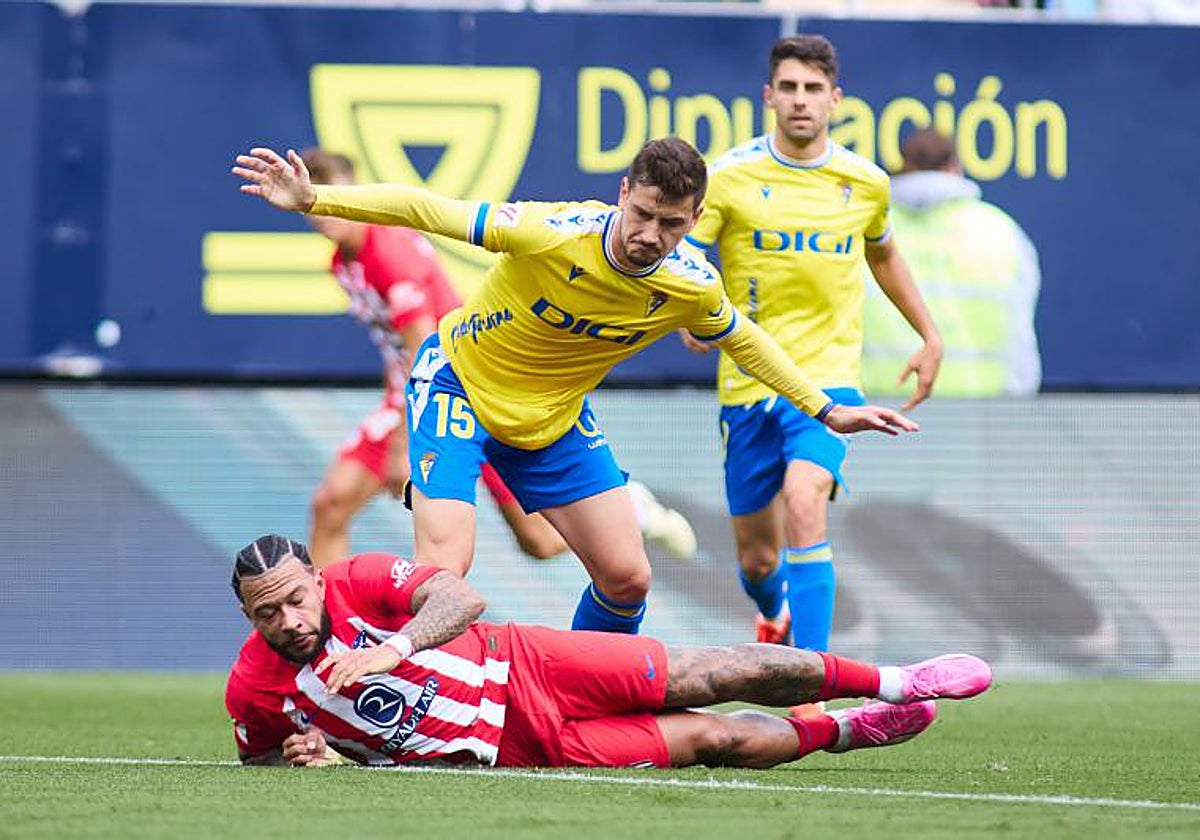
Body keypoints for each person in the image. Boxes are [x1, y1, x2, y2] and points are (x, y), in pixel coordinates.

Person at [233, 136, 918, 635]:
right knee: (445, 571)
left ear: (694, 218)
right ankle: (385, 690)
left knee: (628, 579)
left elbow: (742, 337)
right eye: (643, 213)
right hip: (456, 388)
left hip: (551, 419)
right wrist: (315, 198)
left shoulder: (690, 284)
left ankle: (574, 698)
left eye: (672, 223)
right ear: (624, 193)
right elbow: (427, 207)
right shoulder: (552, 231)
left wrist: (826, 409)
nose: (651, 235)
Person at [225, 535, 993, 768]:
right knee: (713, 736)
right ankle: (845, 732)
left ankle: (895, 680)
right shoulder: (254, 689)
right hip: (517, 748)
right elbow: (259, 758)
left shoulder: (359, 578)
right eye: (268, 614)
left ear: (318, 583)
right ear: (246, 618)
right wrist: (320, 758)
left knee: (708, 674)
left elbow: (460, 600)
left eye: (297, 599)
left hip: (528, 662)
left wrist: (391, 651)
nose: (290, 620)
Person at [298, 148, 699, 566]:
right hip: (430, 393)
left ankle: (630, 509)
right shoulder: (343, 262)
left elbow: (419, 344)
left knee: (538, 542)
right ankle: (328, 629)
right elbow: (394, 348)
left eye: (334, 201)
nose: (325, 217)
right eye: (317, 207)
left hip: (460, 387)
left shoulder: (388, 256)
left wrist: (402, 445)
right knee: (333, 503)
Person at [681, 35, 943, 657]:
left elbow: (884, 255)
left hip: (829, 382)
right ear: (770, 97)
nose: (801, 101)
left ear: (836, 99)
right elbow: (686, 253)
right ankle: (773, 610)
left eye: (814, 90)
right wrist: (690, 312)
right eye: (790, 88)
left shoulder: (865, 183)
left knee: (806, 500)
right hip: (748, 386)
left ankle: (813, 684)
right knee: (756, 559)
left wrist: (929, 335)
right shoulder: (730, 176)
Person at [861, 129, 1042, 397]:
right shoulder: (1001, 231)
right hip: (979, 409)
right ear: (954, 167)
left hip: (879, 411)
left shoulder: (867, 228)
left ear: (904, 165)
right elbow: (1020, 333)